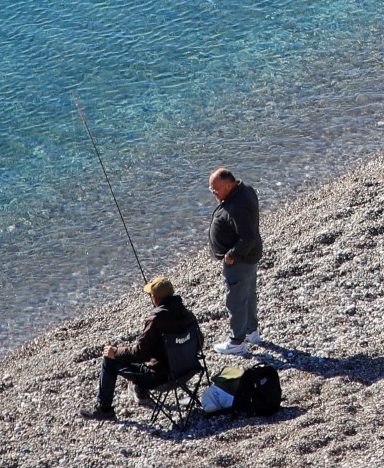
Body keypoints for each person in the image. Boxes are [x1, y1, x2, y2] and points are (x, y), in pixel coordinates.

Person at [81, 276, 201, 421]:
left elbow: (139, 354)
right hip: (188, 369)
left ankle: (104, 409)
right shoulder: (188, 314)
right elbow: (199, 343)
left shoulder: (155, 320)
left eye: (151, 295)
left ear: (156, 298)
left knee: (109, 360)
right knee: (151, 355)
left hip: (163, 378)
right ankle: (141, 392)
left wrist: (116, 351)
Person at [208, 167, 264, 355]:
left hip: (240, 260)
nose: (213, 193)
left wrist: (232, 255)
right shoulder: (244, 190)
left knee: (237, 299)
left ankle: (237, 342)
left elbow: (246, 237)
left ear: (229, 184)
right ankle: (251, 331)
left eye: (215, 189)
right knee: (248, 294)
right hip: (250, 257)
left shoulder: (238, 206)